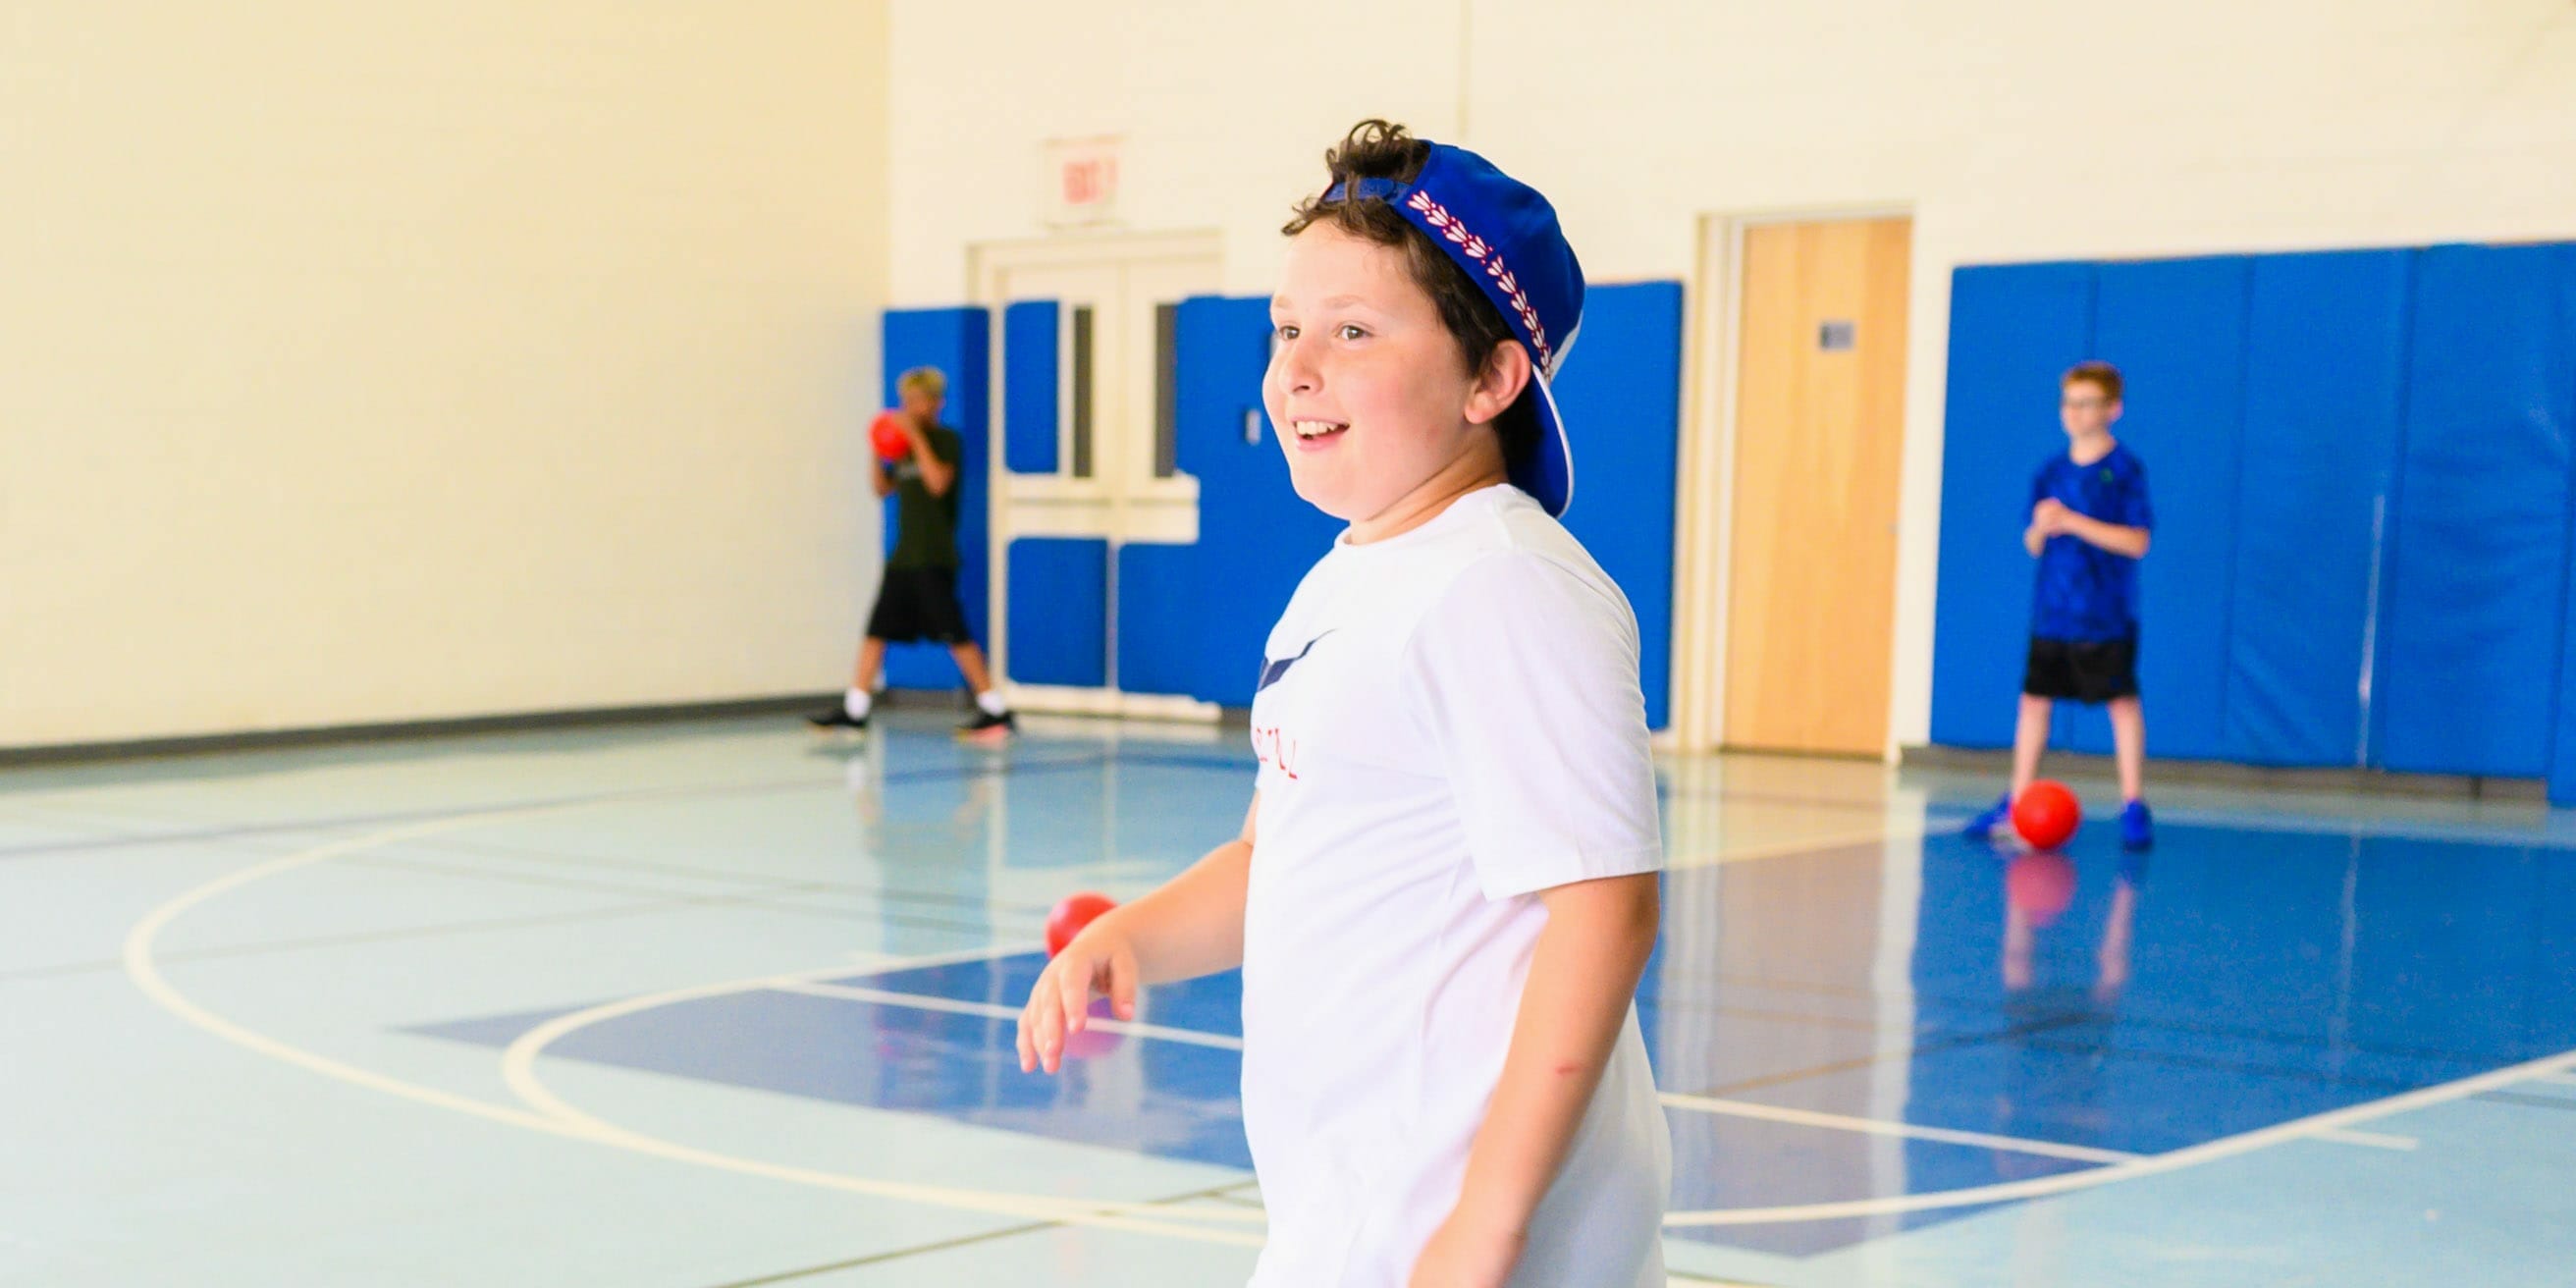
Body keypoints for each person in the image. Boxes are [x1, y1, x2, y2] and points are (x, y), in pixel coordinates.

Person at [1016, 121, 1669, 1287]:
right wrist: (1133, 939)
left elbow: (1600, 910)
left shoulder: (1504, 584)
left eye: (1352, 331)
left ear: (1490, 377)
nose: (1294, 368)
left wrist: (1487, 1218)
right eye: (1286, 328)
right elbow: (1278, 854)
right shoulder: (1348, 574)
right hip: (1351, 1204)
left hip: (1457, 1222)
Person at [1965, 361, 2154, 849]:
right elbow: (2032, 544)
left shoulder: (2124, 470)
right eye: (2068, 402)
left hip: (2105, 613)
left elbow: (2136, 542)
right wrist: (2041, 529)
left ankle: (2133, 804)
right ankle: (2017, 798)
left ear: (2113, 409)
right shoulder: (2049, 470)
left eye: (2086, 403)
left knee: (2121, 704)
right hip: (2053, 611)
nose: (2073, 412)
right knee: (2033, 703)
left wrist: (2073, 521)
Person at [807, 366, 1016, 741]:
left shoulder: (944, 440)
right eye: (906, 401)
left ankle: (994, 708)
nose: (910, 408)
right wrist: (877, 451)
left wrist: (915, 437)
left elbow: (937, 484)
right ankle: (855, 709)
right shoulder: (901, 451)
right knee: (876, 631)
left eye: (918, 401)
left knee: (955, 633)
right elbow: (881, 488)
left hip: (934, 557)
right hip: (903, 557)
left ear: (936, 403)